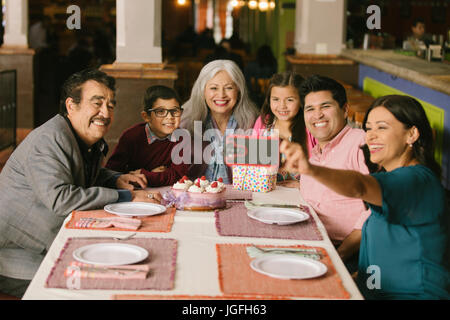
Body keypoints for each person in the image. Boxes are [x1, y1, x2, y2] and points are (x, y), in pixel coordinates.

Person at [0, 69, 162, 298]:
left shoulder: (83, 138)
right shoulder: (48, 140)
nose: (105, 113)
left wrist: (116, 179)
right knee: (102, 285)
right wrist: (128, 196)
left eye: (111, 105)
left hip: (55, 237)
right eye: (97, 103)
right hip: (21, 256)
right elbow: (61, 198)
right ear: (71, 106)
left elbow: (79, 173)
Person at [281, 95, 450, 300]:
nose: (370, 136)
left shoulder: (417, 181)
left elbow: (359, 186)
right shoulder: (392, 178)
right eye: (368, 128)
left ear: (412, 134)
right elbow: (377, 264)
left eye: (382, 127)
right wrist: (349, 280)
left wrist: (311, 169)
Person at [298, 75, 371, 271]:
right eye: (310, 109)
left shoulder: (360, 143)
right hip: (316, 244)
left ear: (345, 110)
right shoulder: (313, 156)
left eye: (325, 106)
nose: (317, 115)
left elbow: (376, 212)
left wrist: (340, 255)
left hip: (353, 254)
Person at [180, 59, 258, 184]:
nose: (221, 95)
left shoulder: (253, 122)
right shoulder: (184, 121)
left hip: (240, 195)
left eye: (228, 88)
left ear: (238, 90)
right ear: (202, 90)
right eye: (214, 88)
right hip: (194, 196)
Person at [105, 85, 190, 186]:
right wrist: (155, 175)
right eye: (161, 112)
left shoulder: (182, 138)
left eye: (174, 111)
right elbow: (112, 174)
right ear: (146, 117)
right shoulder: (131, 137)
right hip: (134, 193)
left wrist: (144, 174)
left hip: (167, 192)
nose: (170, 117)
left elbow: (179, 175)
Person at [252, 71, 316, 187]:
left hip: (303, 195)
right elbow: (253, 162)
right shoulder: (263, 123)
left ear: (302, 100)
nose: (282, 106)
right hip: (268, 193)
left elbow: (322, 167)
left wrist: (303, 185)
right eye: (276, 99)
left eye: (290, 100)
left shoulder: (310, 127)